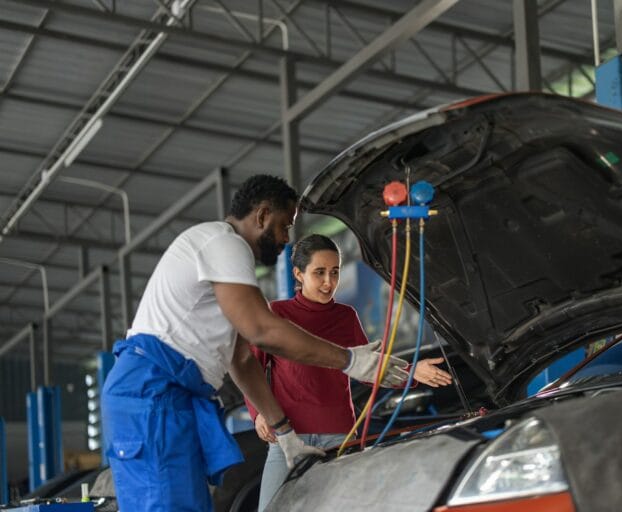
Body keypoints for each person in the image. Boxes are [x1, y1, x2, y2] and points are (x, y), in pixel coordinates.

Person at [100, 175, 410, 512]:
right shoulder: (224, 243)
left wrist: (283, 429)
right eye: (283, 226)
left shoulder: (225, 266)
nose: (285, 239)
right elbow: (263, 331)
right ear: (262, 215)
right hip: (153, 391)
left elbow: (243, 360)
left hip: (166, 394)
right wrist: (349, 360)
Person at [245, 234, 453, 511]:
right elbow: (251, 367)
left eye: (334, 272)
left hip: (340, 434)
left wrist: (412, 371)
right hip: (287, 435)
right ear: (298, 273)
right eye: (319, 273)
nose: (329, 282)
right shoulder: (276, 314)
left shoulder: (346, 316)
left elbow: (368, 366)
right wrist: (258, 413)